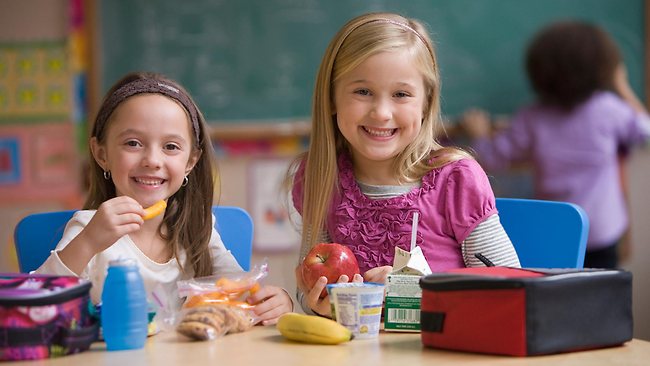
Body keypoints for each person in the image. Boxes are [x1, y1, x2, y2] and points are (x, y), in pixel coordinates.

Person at [286, 12, 521, 317]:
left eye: (401, 94)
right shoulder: (320, 177)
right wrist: (320, 305)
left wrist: (422, 290)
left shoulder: (455, 179)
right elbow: (307, 290)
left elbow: (509, 288)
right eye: (363, 92)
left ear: (425, 102)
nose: (382, 113)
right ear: (331, 97)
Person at [35, 72, 292, 325]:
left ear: (191, 162)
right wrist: (88, 242)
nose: (152, 161)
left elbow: (241, 290)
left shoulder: (199, 228)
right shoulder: (88, 228)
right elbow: (36, 304)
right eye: (133, 143)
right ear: (101, 153)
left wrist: (277, 302)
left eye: (170, 147)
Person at [461, 21, 650, 269]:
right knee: (605, 298)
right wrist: (621, 85)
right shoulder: (608, 109)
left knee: (561, 299)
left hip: (557, 230)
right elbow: (644, 131)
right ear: (601, 68)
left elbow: (492, 158)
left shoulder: (533, 118)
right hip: (603, 231)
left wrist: (479, 135)